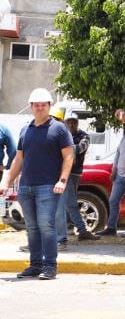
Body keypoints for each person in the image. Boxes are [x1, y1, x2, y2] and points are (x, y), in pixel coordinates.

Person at [0, 88, 73, 279]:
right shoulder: (26, 129)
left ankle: (50, 266)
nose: (40, 108)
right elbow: (18, 160)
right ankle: (35, 265)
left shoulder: (59, 129)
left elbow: (68, 156)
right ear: (31, 107)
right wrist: (6, 181)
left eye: (43, 105)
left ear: (49, 106)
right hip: (26, 187)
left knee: (46, 226)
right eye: (36, 105)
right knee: (32, 228)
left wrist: (62, 180)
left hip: (48, 187)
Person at [59, 111, 99, 243]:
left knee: (69, 201)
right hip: (64, 173)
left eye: (74, 122)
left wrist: (67, 151)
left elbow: (81, 147)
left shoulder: (84, 135)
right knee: (69, 202)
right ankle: (81, 230)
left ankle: (72, 228)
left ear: (77, 123)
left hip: (74, 173)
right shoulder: (62, 134)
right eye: (69, 122)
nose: (71, 124)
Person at [103, 110, 125, 237]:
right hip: (119, 174)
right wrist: (114, 169)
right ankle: (111, 227)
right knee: (113, 200)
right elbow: (118, 153)